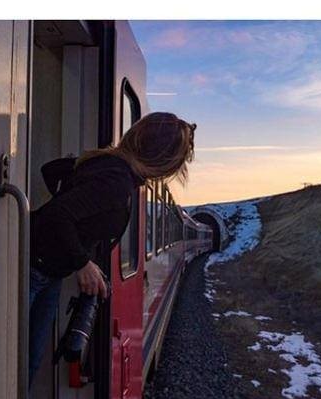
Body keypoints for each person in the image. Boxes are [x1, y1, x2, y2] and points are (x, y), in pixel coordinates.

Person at [28, 112, 196, 383]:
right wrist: (82, 262)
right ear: (163, 164)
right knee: (24, 365)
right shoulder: (117, 181)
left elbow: (52, 172)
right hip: (37, 272)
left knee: (24, 362)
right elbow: (57, 214)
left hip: (47, 269)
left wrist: (80, 240)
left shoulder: (108, 163)